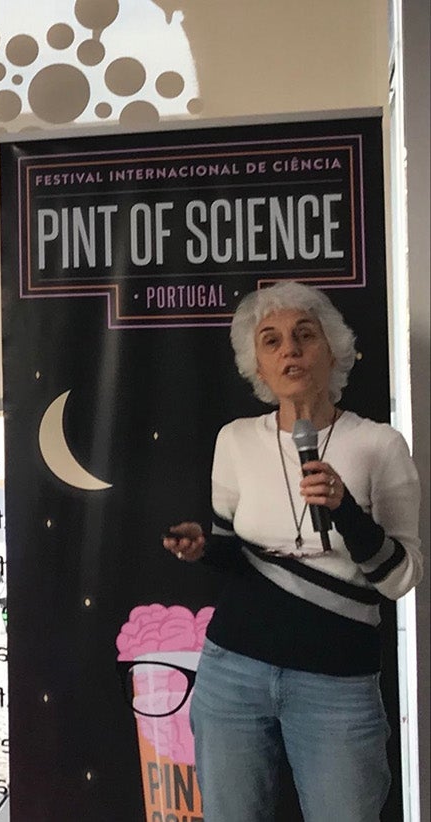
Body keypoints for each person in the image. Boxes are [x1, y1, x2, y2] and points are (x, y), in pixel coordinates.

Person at [162, 281, 423, 821]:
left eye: (305, 335)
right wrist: (203, 549)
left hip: (337, 683)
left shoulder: (380, 445)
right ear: (257, 365)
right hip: (232, 673)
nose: (290, 350)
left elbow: (401, 578)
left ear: (334, 350)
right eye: (272, 340)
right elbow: (235, 558)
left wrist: (346, 510)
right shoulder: (235, 440)